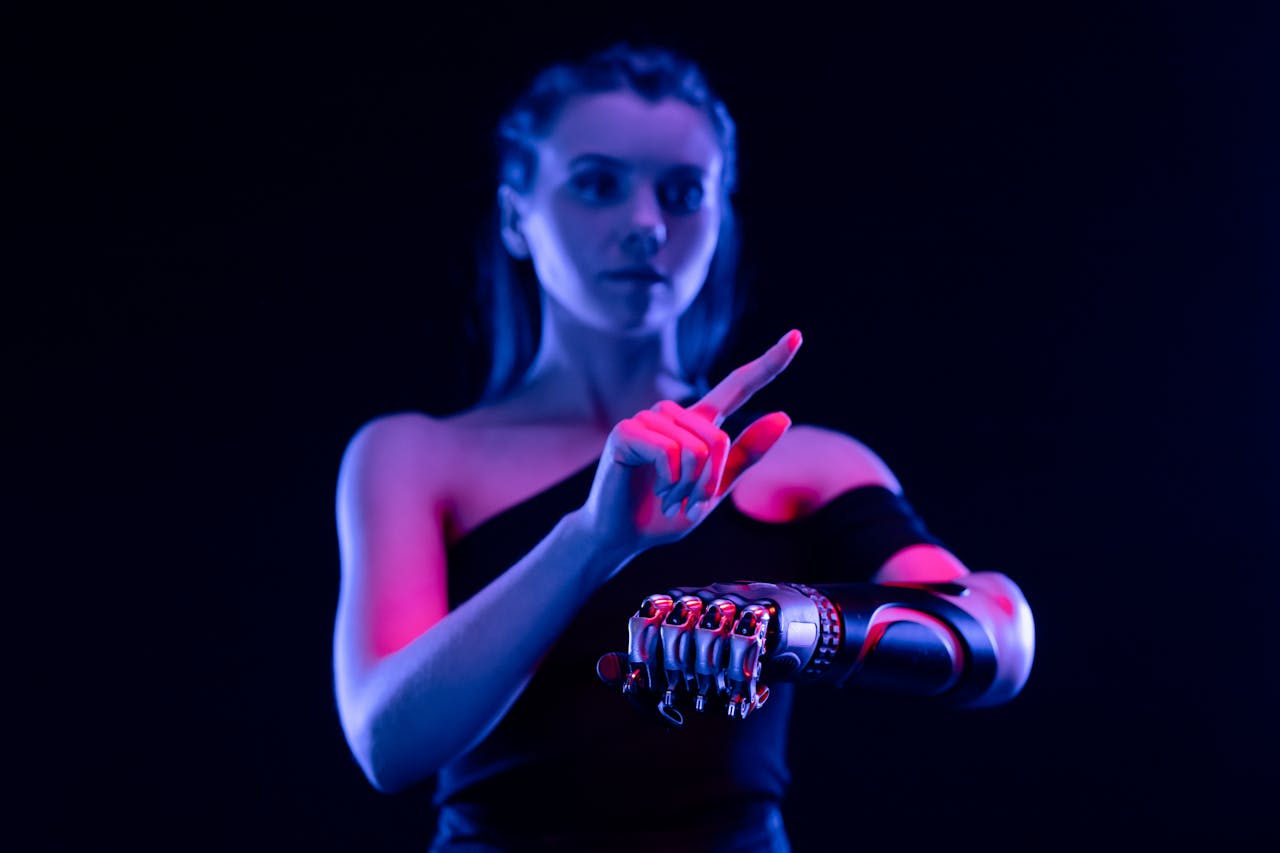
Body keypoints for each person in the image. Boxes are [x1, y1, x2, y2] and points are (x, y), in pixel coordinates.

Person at [332, 43, 1034, 852]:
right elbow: (387, 743)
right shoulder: (415, 457)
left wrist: (799, 623)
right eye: (597, 184)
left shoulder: (802, 465)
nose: (645, 225)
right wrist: (592, 542)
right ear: (517, 217)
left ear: (721, 219)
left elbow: (997, 637)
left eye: (683, 193)